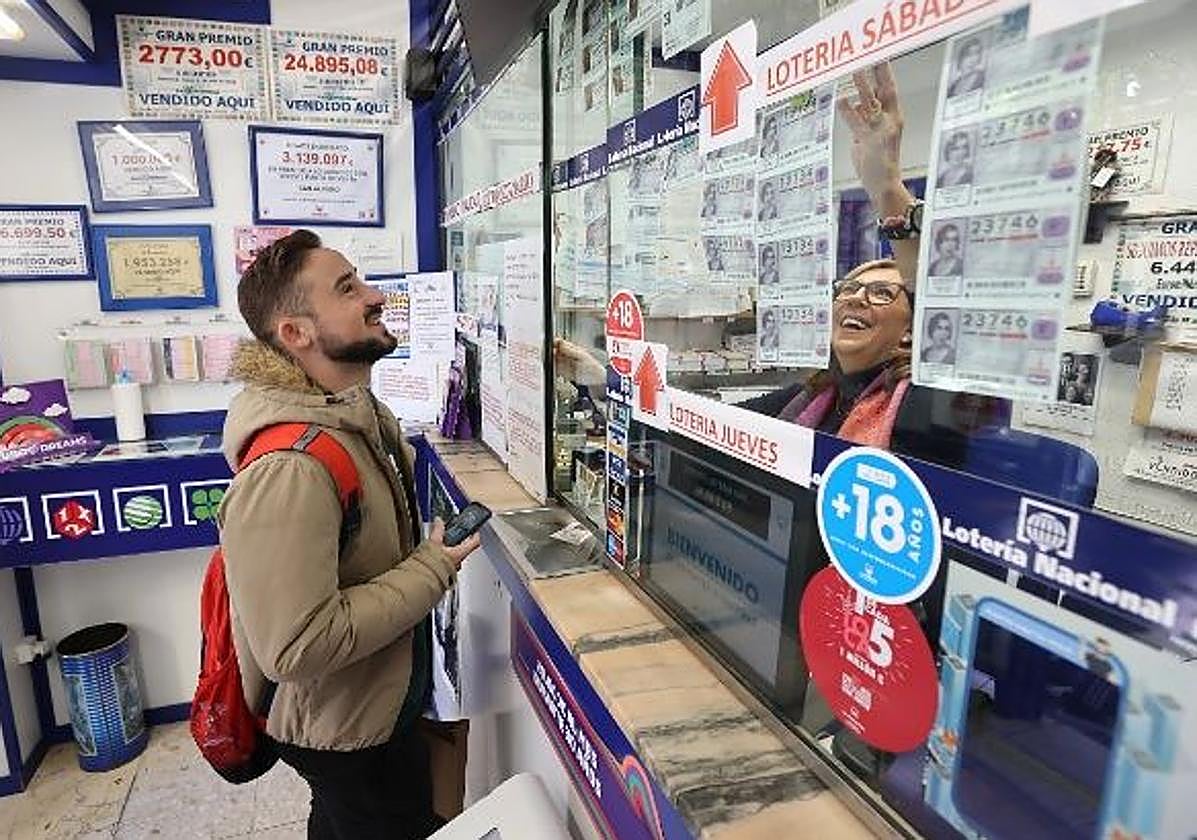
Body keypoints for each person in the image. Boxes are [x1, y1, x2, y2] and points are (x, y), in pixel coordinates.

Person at [219, 230, 480, 840]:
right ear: (295, 333)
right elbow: (295, 644)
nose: (375, 296)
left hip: (372, 708)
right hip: (347, 734)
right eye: (347, 288)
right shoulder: (292, 467)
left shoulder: (352, 416)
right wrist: (433, 566)